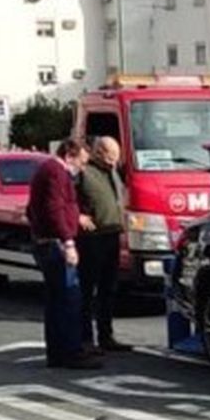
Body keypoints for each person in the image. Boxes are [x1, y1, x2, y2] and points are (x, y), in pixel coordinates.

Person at [26, 137, 96, 369]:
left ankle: (57, 353)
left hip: (46, 240)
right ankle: (70, 352)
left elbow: (41, 208)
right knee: (68, 298)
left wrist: (75, 216)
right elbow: (54, 209)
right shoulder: (56, 172)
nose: (82, 168)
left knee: (56, 300)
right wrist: (68, 242)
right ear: (69, 156)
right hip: (55, 244)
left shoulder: (47, 170)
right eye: (82, 162)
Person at [76, 134, 130, 353]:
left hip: (112, 234)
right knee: (88, 289)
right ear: (98, 153)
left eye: (116, 157)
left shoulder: (114, 172)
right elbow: (70, 199)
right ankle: (86, 338)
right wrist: (78, 216)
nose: (114, 161)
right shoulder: (83, 173)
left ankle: (106, 335)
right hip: (91, 238)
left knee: (109, 288)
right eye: (110, 156)